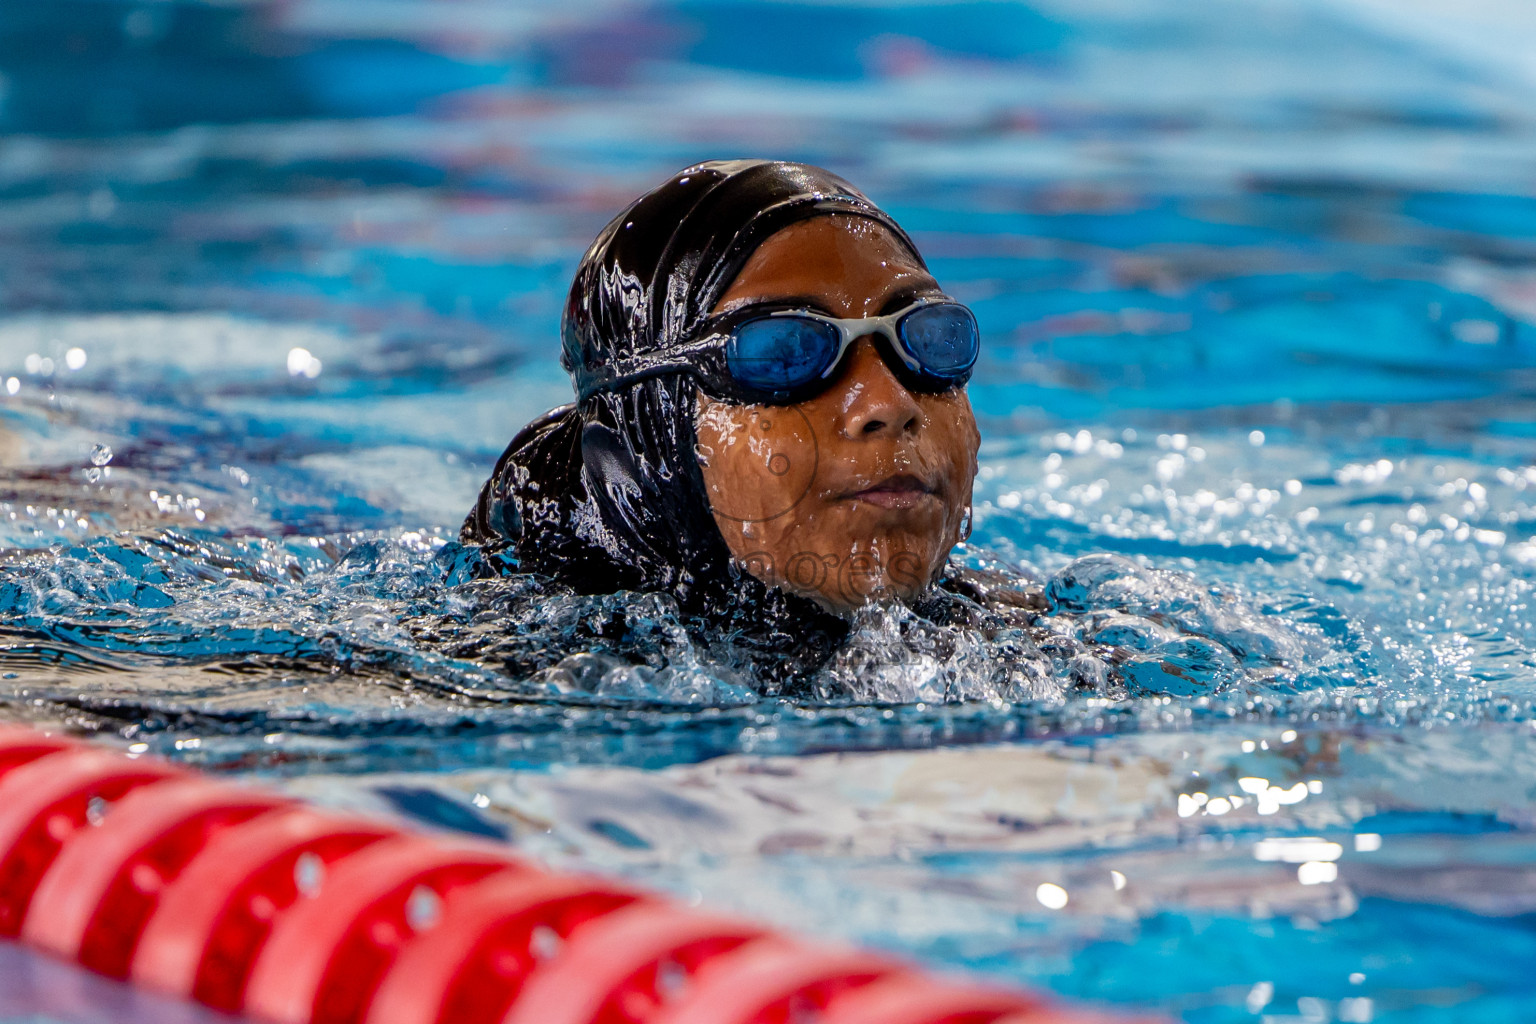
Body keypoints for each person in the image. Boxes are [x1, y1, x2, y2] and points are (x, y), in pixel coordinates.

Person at [462, 159, 1038, 691]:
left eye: (929, 338)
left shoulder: (1024, 642)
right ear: (640, 456)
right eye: (785, 351)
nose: (888, 402)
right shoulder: (510, 680)